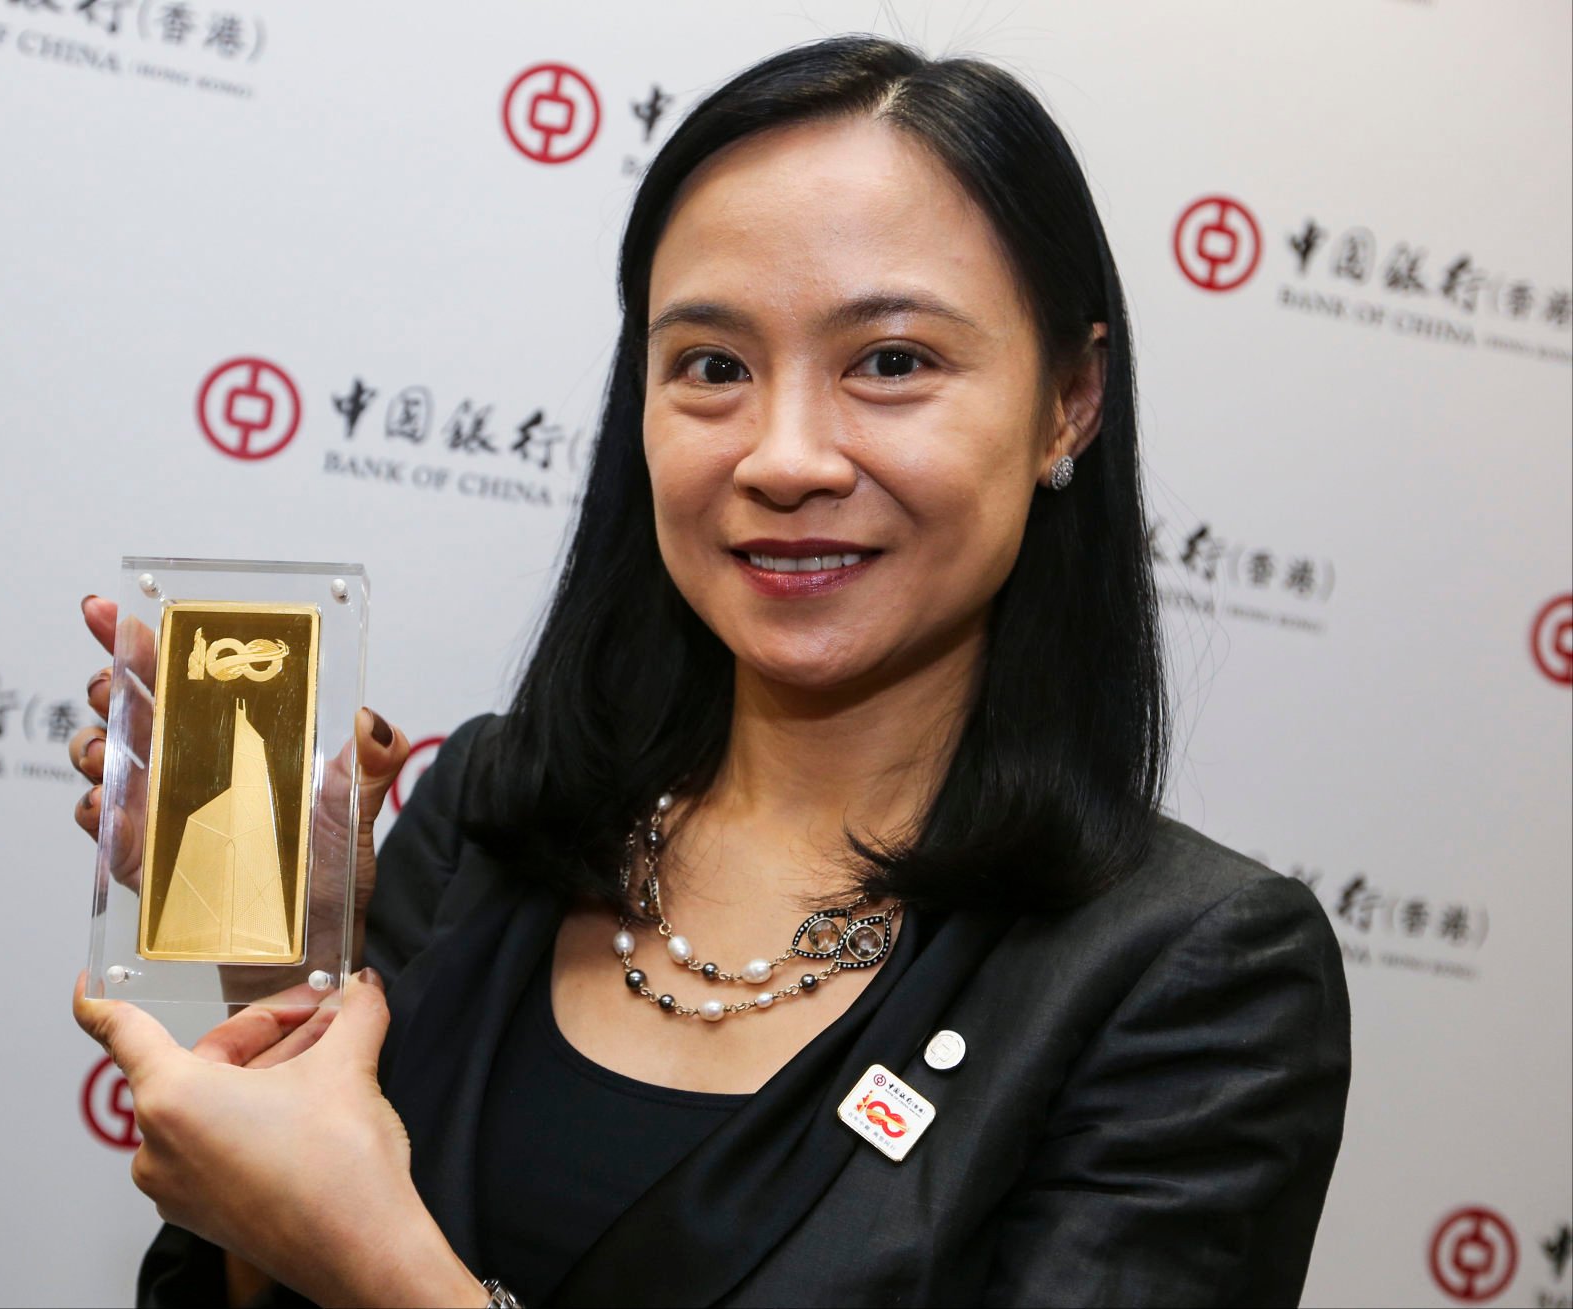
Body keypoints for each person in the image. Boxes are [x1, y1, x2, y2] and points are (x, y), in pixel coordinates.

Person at [67, 35, 1352, 1309]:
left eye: (890, 361)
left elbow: (359, 1258)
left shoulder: (1191, 978)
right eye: (713, 368)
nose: (783, 456)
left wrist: (390, 1278)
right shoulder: (492, 810)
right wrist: (287, 975)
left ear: (1066, 403)